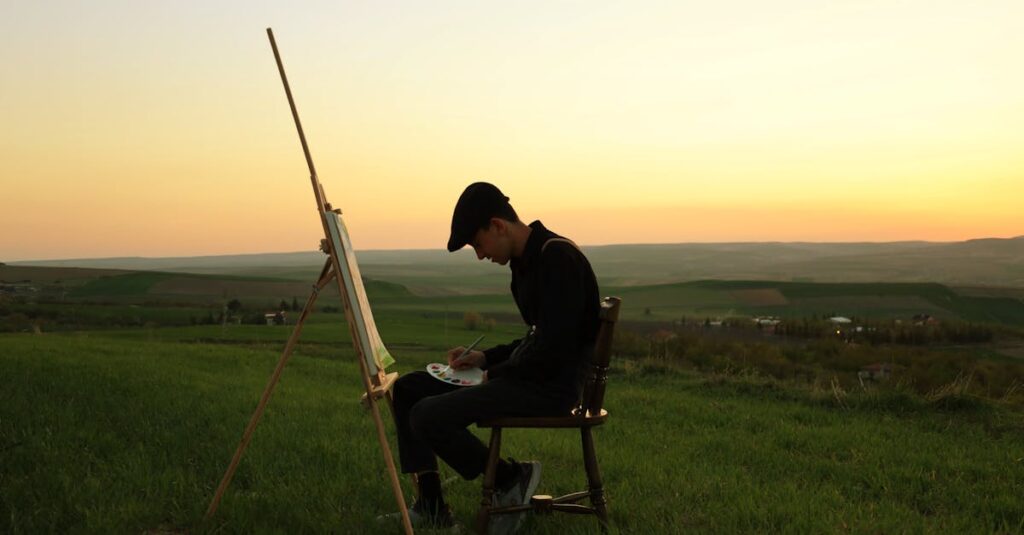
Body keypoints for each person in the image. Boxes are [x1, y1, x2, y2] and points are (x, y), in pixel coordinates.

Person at [382, 182, 601, 532]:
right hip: (529, 376)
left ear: (498, 226)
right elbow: (536, 339)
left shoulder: (557, 258)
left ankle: (509, 477)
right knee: (408, 389)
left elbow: (554, 350)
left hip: (551, 388)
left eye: (478, 244)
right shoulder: (527, 262)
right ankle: (431, 506)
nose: (480, 255)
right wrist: (484, 358)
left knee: (426, 415)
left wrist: (495, 374)